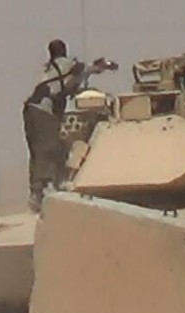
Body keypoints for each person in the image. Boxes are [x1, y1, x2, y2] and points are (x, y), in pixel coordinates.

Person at [22, 39, 117, 212]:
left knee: (38, 150)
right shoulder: (66, 64)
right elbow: (87, 68)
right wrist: (106, 65)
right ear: (64, 51)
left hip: (30, 110)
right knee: (49, 147)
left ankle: (37, 191)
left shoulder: (49, 68)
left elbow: (65, 86)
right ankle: (46, 188)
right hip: (44, 110)